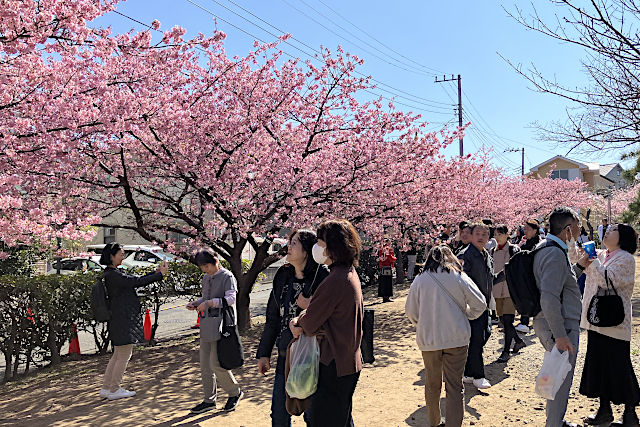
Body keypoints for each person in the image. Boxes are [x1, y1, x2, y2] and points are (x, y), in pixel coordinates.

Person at [289, 219, 363, 426]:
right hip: (347, 360)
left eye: (320, 243)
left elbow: (310, 322)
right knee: (341, 418)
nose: (316, 248)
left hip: (333, 363)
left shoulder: (335, 280)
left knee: (324, 419)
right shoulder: (347, 273)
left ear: (333, 247)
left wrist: (297, 321)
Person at [405, 245, 487, 427]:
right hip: (456, 337)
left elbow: (411, 312)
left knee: (432, 384)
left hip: (429, 340)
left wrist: (423, 324)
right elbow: (480, 303)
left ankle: (435, 422)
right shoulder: (459, 276)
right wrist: (467, 315)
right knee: (455, 387)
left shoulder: (420, 280)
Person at [256, 230, 329, 426]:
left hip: (313, 356)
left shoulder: (322, 276)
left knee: (314, 415)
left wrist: (310, 306)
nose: (289, 246)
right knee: (279, 414)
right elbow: (272, 317)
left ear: (307, 251)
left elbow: (332, 314)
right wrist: (263, 353)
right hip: (285, 355)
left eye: (294, 243)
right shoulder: (283, 275)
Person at [580, 224, 640, 426]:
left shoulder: (625, 258)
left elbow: (607, 280)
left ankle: (630, 414)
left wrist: (592, 260)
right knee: (599, 367)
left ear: (622, 237)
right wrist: (572, 239)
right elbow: (575, 258)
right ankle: (604, 410)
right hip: (596, 319)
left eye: (612, 229)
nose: (607, 231)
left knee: (619, 367)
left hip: (614, 323)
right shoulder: (601, 253)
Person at [532, 207, 585, 427]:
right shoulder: (554, 253)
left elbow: (563, 283)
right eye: (578, 225)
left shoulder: (548, 248)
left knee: (556, 375)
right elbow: (550, 297)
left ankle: (555, 420)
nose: (581, 229)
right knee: (561, 380)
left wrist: (580, 267)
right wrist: (561, 335)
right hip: (562, 327)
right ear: (568, 230)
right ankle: (553, 423)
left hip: (556, 324)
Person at [98, 242, 168, 400]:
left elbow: (134, 280)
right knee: (124, 354)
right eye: (121, 254)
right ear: (111, 256)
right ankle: (114, 389)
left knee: (117, 354)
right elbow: (135, 282)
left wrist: (155, 273)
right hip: (122, 319)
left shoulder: (111, 273)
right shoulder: (114, 275)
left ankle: (107, 388)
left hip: (117, 318)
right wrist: (159, 275)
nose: (123, 257)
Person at [187, 249, 243, 414]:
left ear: (215, 261)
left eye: (206, 266)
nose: (205, 270)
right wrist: (196, 303)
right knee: (205, 365)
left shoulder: (227, 277)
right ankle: (209, 400)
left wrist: (210, 303)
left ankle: (234, 392)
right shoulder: (206, 278)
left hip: (222, 326)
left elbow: (231, 299)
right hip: (206, 325)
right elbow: (205, 298)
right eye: (202, 267)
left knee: (216, 364)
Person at [457, 222, 494, 389]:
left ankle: (468, 372)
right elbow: (459, 281)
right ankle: (478, 375)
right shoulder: (465, 255)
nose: (481, 237)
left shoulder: (487, 255)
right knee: (477, 338)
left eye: (485, 234)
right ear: (470, 236)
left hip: (484, 305)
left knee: (483, 335)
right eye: (478, 234)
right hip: (471, 306)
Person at [491, 225, 526, 363]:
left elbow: (516, 269)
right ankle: (518, 341)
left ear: (507, 234)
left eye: (500, 234)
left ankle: (506, 351)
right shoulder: (492, 251)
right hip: (497, 291)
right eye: (495, 234)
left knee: (508, 320)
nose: (497, 237)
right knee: (503, 322)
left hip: (510, 291)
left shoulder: (513, 249)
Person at [516, 218, 542, 334]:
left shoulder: (539, 244)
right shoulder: (524, 243)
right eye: (524, 229)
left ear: (535, 230)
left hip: (536, 275)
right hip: (525, 275)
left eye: (528, 229)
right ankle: (524, 321)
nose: (525, 231)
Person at [378, 238, 396, 302]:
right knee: (388, 282)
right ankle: (387, 297)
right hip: (387, 266)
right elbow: (390, 258)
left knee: (383, 282)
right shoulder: (388, 249)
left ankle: (384, 297)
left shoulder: (381, 249)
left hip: (383, 267)